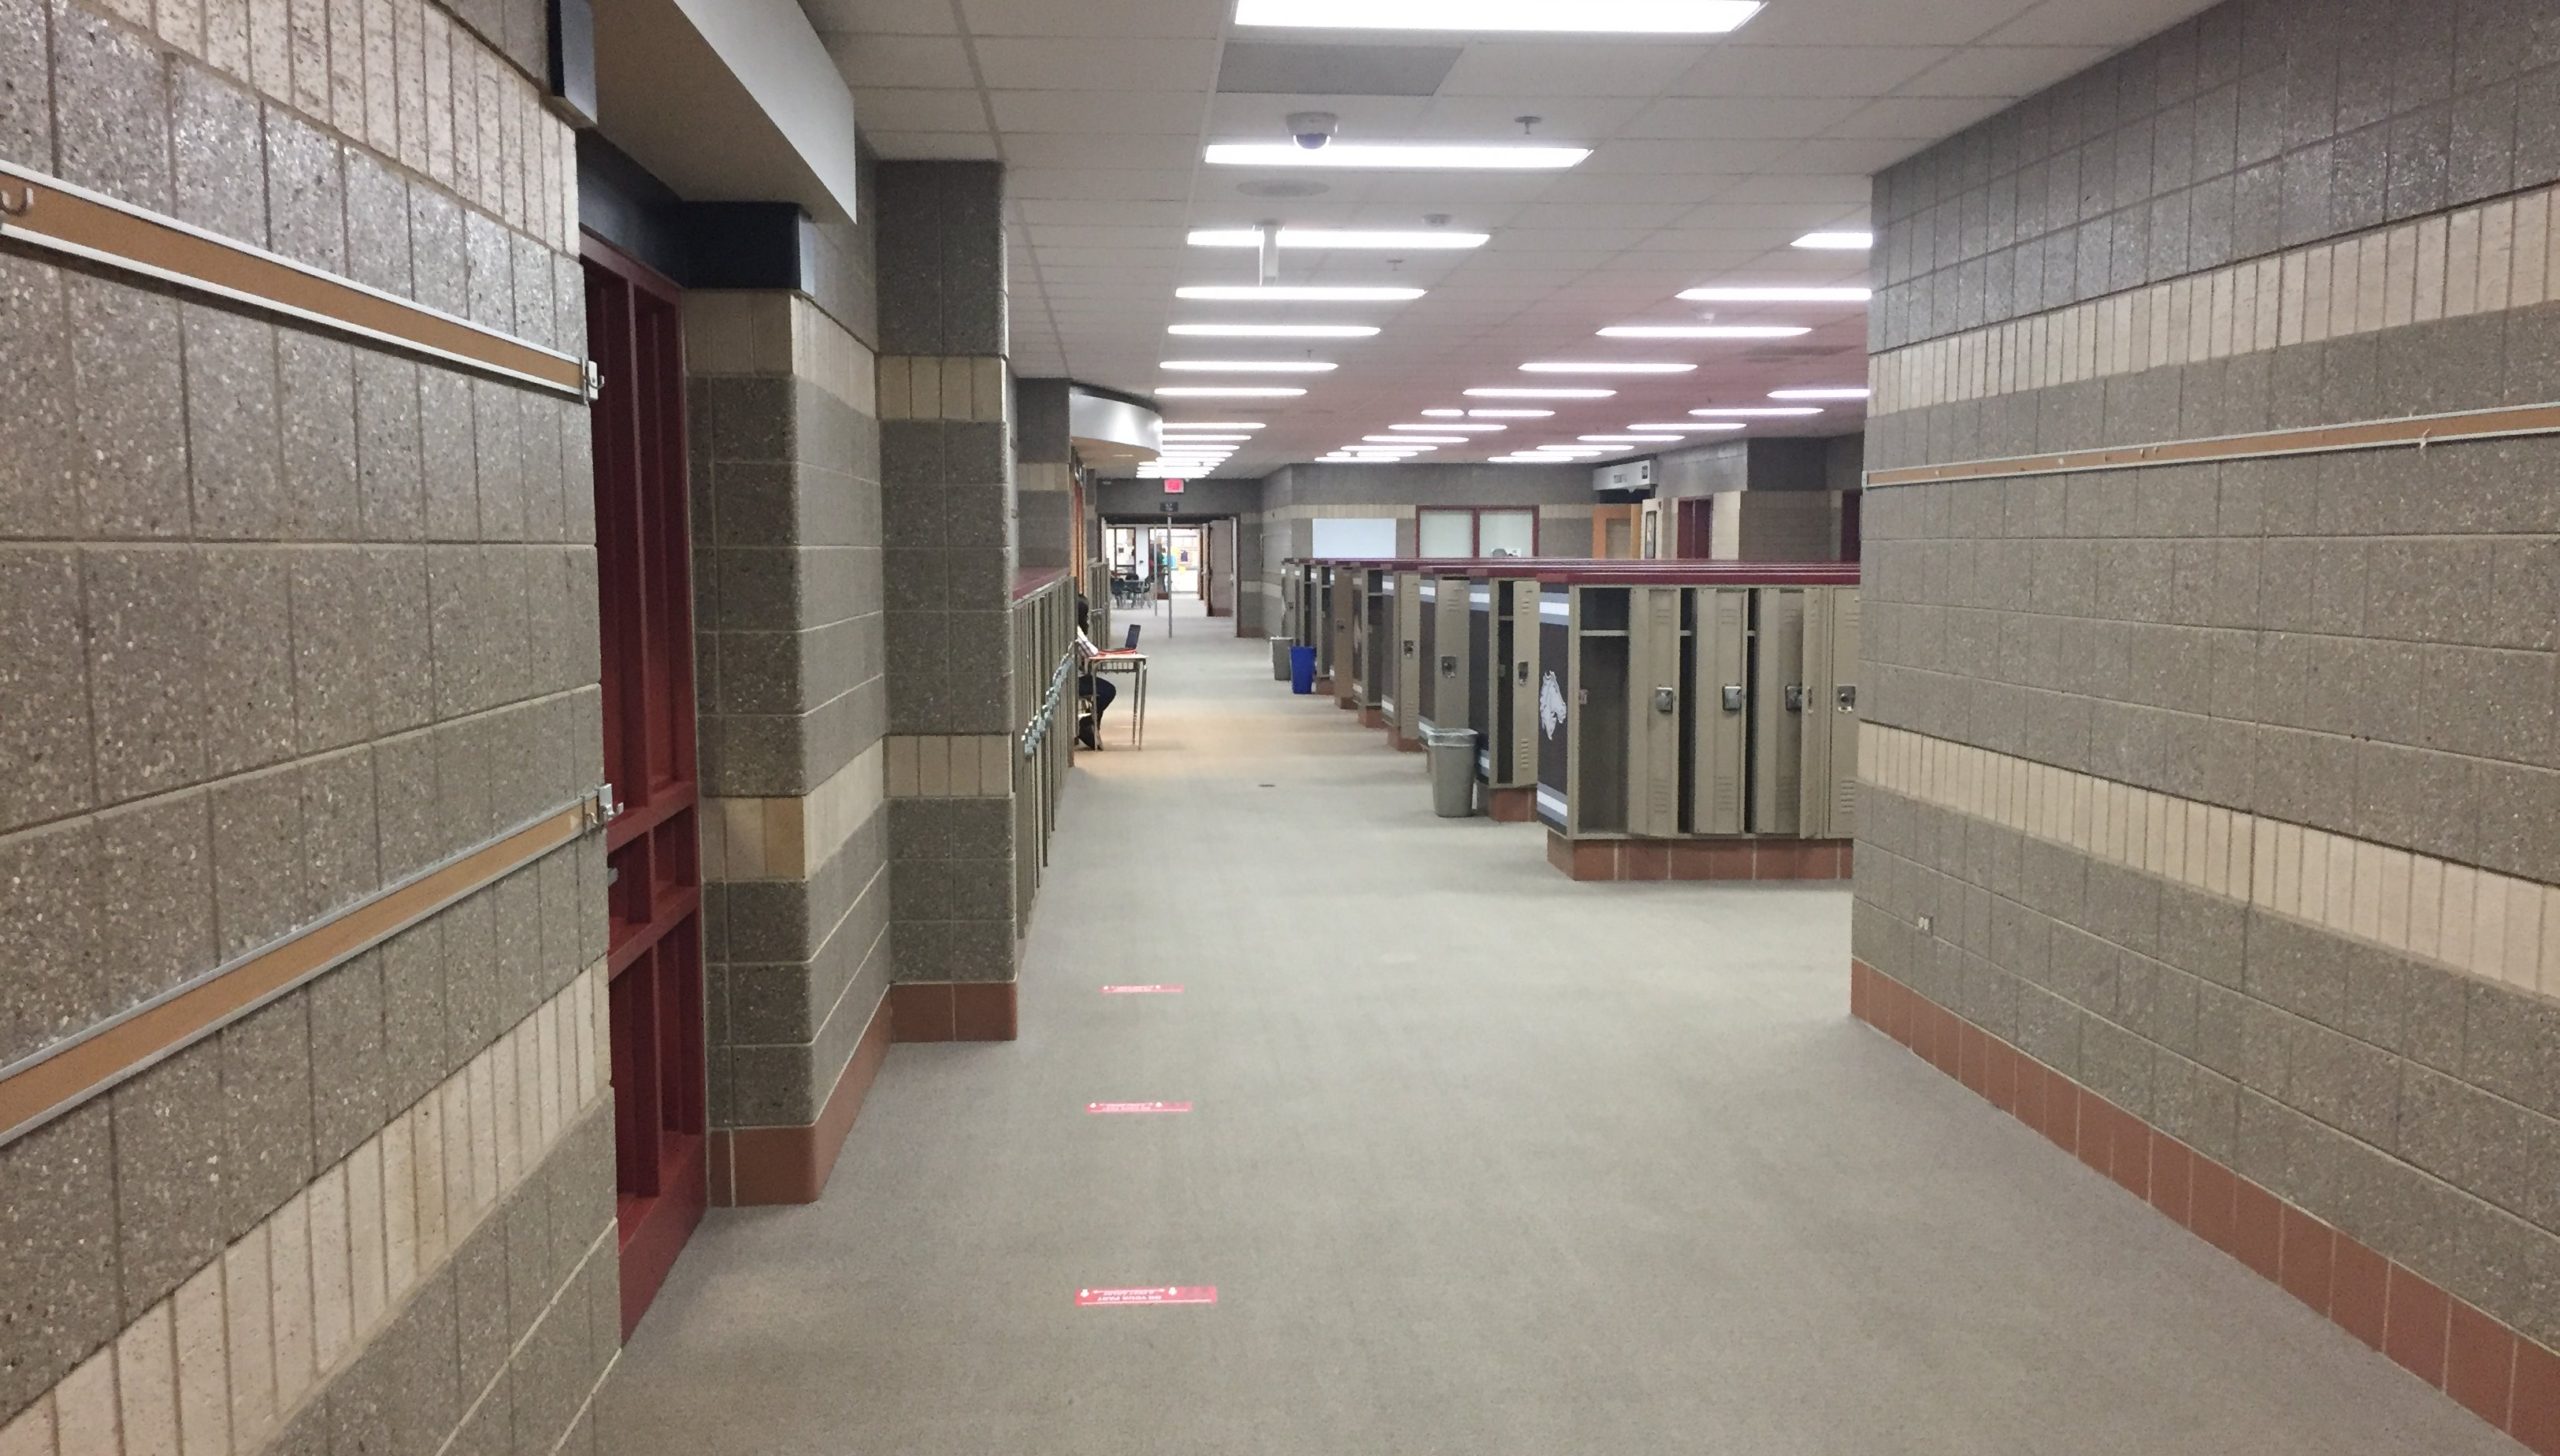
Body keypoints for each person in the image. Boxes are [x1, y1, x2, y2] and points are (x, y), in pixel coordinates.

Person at [1075, 597, 1117, 749]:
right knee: (1108, 691)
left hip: (1074, 676)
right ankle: (1087, 723)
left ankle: (1090, 725)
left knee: (1102, 688)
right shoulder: (1074, 630)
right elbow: (1091, 652)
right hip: (1074, 681)